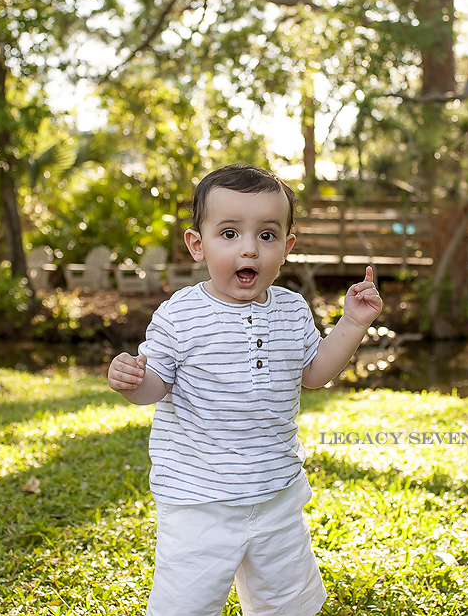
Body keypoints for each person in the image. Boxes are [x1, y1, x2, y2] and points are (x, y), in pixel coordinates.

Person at [108, 162, 383, 616]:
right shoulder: (181, 314)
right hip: (200, 500)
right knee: (186, 605)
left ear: (287, 247)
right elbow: (156, 384)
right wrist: (133, 381)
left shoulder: (292, 310)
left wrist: (352, 323)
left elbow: (313, 373)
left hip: (276, 492)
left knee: (287, 604)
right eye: (230, 233)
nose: (250, 250)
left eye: (267, 236)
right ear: (198, 244)